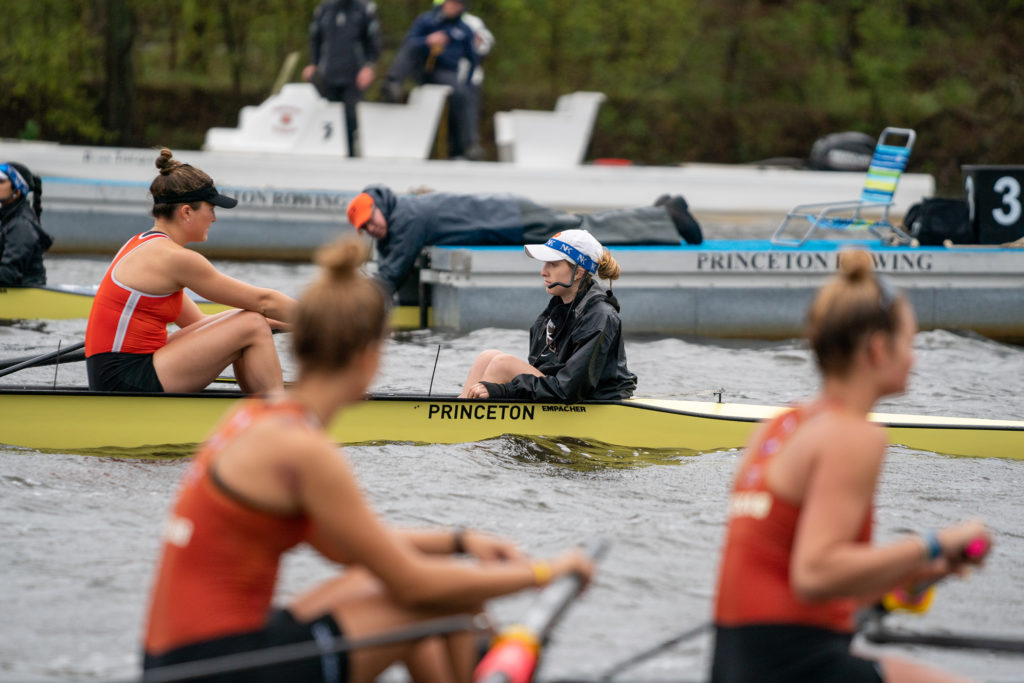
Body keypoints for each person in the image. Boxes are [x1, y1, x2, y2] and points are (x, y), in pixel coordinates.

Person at [142, 235, 594, 683]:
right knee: (447, 603)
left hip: (181, 658)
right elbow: (415, 584)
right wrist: (544, 571)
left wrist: (460, 541)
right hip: (217, 668)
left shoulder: (256, 417)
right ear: (368, 357)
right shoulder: (305, 451)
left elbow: (350, 548)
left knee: (419, 589)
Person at [710, 249, 992, 683]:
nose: (915, 358)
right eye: (910, 343)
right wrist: (934, 543)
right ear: (878, 350)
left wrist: (915, 573)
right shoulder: (853, 435)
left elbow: (795, 570)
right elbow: (815, 573)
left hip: (737, 657)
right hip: (790, 661)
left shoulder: (783, 424)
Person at [84, 148, 296, 395]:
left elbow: (201, 325)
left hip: (118, 370)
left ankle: (259, 405)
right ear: (186, 212)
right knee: (251, 323)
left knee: (246, 319)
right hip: (124, 378)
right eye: (211, 209)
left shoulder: (142, 244)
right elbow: (264, 301)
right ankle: (279, 417)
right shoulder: (174, 258)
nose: (214, 218)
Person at [346, 184, 702, 295]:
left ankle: (666, 216)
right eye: (365, 229)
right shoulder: (400, 213)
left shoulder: (406, 217)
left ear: (381, 207)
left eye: (370, 221)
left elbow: (389, 277)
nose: (372, 229)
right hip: (506, 216)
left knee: (581, 230)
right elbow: (390, 260)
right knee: (582, 223)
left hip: (510, 219)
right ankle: (656, 211)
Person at [459, 229, 636, 402]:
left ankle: (470, 428)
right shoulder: (554, 311)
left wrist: (504, 390)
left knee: (502, 364)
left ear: (579, 272)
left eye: (553, 264)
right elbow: (541, 371)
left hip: (591, 401)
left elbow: (569, 389)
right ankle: (457, 417)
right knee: (487, 357)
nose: (543, 271)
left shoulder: (600, 316)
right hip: (561, 392)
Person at [382, 0, 478, 159]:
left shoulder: (464, 29)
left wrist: (466, 83)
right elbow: (409, 42)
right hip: (421, 67)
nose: (452, 7)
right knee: (409, 49)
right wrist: (427, 40)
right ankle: (393, 84)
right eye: (450, 3)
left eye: (457, 4)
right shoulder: (427, 20)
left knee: (462, 94)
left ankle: (464, 147)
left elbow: (473, 60)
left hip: (445, 72)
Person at [303, 0, 382, 157]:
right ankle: (328, 159)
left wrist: (369, 67)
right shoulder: (323, 9)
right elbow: (315, 39)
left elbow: (374, 42)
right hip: (327, 75)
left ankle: (353, 159)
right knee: (326, 119)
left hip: (354, 76)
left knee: (352, 120)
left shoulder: (365, 9)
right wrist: (312, 63)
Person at [0, 162, 52, 286]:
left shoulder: (22, 225)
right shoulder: (7, 219)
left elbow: (8, 273)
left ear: (17, 192)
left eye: (1, 182)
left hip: (28, 293)